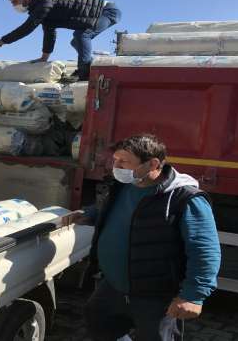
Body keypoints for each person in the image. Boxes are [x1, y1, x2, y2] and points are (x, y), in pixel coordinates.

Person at [69, 134, 221, 340]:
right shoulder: (122, 187)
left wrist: (194, 295)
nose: (117, 166)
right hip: (114, 287)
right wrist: (89, 215)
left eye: (124, 162)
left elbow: (204, 250)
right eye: (115, 160)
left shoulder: (184, 198)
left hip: (156, 297)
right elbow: (117, 213)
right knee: (97, 322)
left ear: (153, 164)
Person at [0, 0, 121, 81]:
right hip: (97, 15)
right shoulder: (43, 11)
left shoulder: (44, 3)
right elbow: (49, 34)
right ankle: (89, 65)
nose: (14, 6)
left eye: (15, 2)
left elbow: (27, 27)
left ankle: (85, 73)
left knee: (81, 36)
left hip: (106, 11)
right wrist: (44, 58)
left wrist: (0, 42)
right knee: (75, 41)